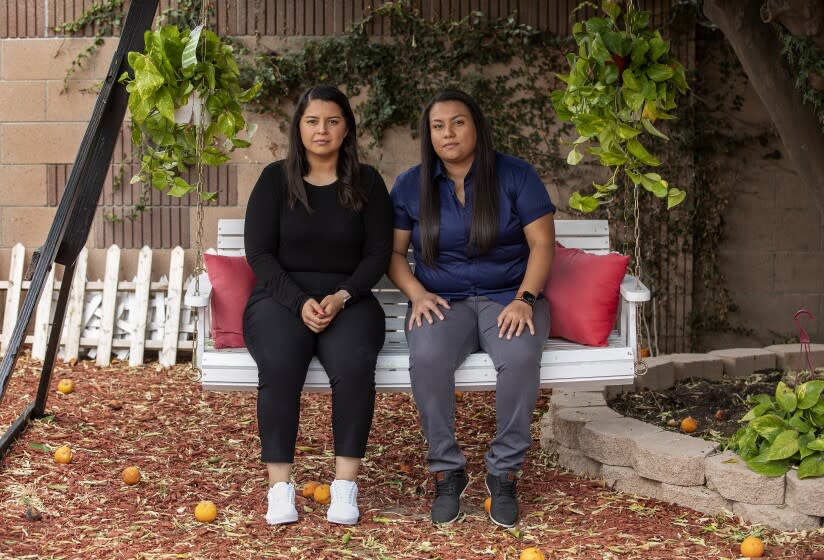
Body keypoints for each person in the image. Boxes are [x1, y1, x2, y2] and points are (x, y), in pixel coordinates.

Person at [388, 89, 556, 528]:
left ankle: (503, 471)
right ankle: (447, 470)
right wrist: (416, 293)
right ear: (429, 134)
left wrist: (524, 299)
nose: (449, 133)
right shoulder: (411, 184)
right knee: (426, 358)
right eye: (438, 125)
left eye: (458, 122)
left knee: (519, 358)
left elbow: (542, 244)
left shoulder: (516, 175)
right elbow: (393, 254)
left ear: (476, 125)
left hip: (509, 296)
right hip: (445, 300)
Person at [243, 85, 393, 526]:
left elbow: (377, 256)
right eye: (312, 121)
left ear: (346, 128)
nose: (322, 129)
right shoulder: (275, 179)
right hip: (280, 297)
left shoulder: (367, 182)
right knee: (280, 363)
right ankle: (279, 488)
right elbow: (260, 255)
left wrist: (342, 295)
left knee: (354, 363)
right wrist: (299, 301)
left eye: (332, 121)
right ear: (299, 128)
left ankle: (344, 486)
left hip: (351, 298)